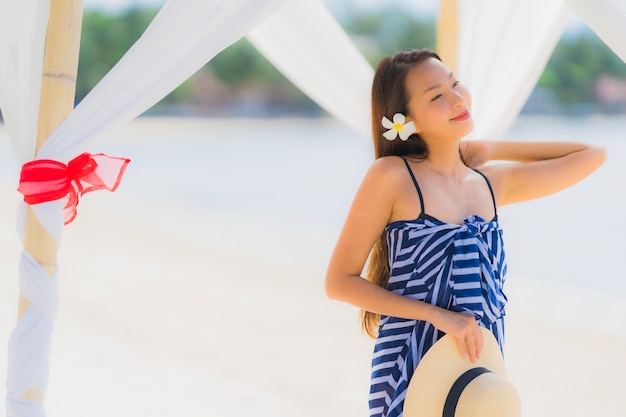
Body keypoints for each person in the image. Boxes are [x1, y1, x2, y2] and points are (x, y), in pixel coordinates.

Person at [324, 48, 606, 417]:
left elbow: (592, 154)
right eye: (437, 96)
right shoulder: (391, 176)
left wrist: (491, 147)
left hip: (478, 373)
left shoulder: (491, 183)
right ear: (407, 120)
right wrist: (436, 315)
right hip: (412, 362)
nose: (458, 98)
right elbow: (339, 282)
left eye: (455, 83)